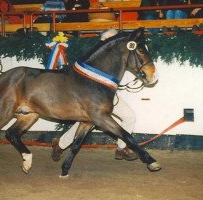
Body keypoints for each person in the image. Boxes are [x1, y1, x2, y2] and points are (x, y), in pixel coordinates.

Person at [51, 29, 139, 162]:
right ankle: (60, 144)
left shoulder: (115, 56)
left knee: (129, 116)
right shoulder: (96, 56)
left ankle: (121, 148)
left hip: (109, 98)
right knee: (86, 123)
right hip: (93, 99)